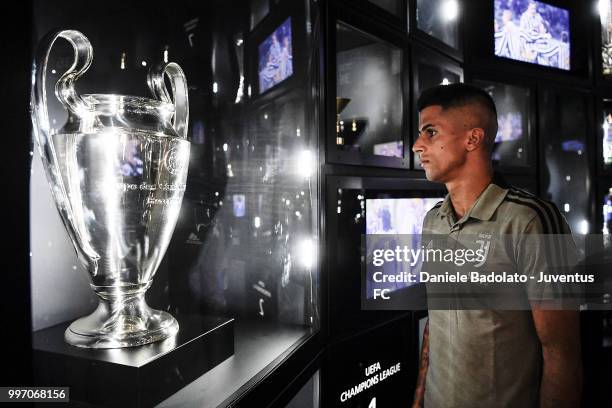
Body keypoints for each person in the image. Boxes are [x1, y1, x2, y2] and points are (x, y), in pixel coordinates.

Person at [411, 83, 582, 407]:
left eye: (430, 132)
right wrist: (419, 398)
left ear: (472, 139)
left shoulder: (530, 221)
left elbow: (561, 351)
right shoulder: (432, 221)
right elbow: (436, 322)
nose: (417, 145)